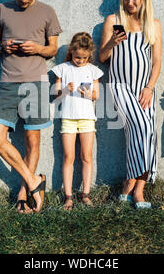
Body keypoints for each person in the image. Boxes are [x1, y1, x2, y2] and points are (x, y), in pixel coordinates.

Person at [0, 0, 63, 213]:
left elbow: (52, 50)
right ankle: (33, 181)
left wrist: (36, 48)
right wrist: (4, 46)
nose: (24, 0)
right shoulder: (2, 10)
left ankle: (22, 196)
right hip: (8, 82)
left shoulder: (47, 12)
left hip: (36, 83)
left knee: (32, 141)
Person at [99, 0, 162, 209]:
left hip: (144, 90)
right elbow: (102, 57)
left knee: (147, 135)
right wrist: (112, 42)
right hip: (120, 87)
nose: (130, 3)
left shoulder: (153, 24)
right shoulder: (113, 20)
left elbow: (156, 63)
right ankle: (129, 185)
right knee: (142, 128)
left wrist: (150, 87)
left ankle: (137, 190)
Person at [51, 32, 104, 210]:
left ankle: (86, 194)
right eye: (76, 57)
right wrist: (65, 89)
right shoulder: (63, 68)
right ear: (71, 53)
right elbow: (55, 94)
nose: (80, 61)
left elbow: (96, 95)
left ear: (89, 55)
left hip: (87, 118)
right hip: (68, 118)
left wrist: (87, 93)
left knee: (87, 157)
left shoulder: (92, 70)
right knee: (68, 157)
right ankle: (68, 197)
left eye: (83, 58)